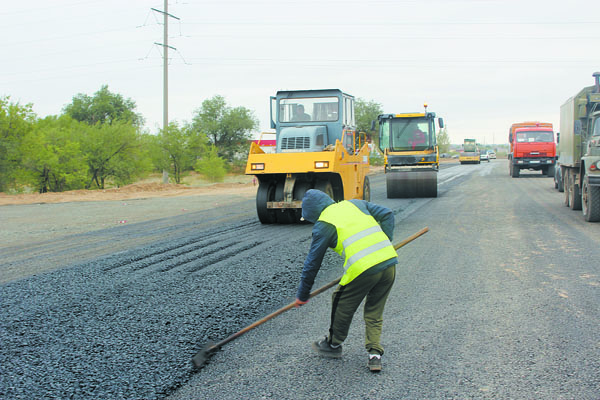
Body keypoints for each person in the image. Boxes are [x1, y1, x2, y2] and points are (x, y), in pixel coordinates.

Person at [294, 189, 398, 372]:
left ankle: (333, 345)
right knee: (374, 310)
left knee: (340, 301)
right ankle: (375, 354)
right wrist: (386, 242)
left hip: (364, 268)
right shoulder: (355, 203)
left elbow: (312, 263)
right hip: (389, 262)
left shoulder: (324, 224)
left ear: (312, 213)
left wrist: (303, 294)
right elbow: (388, 214)